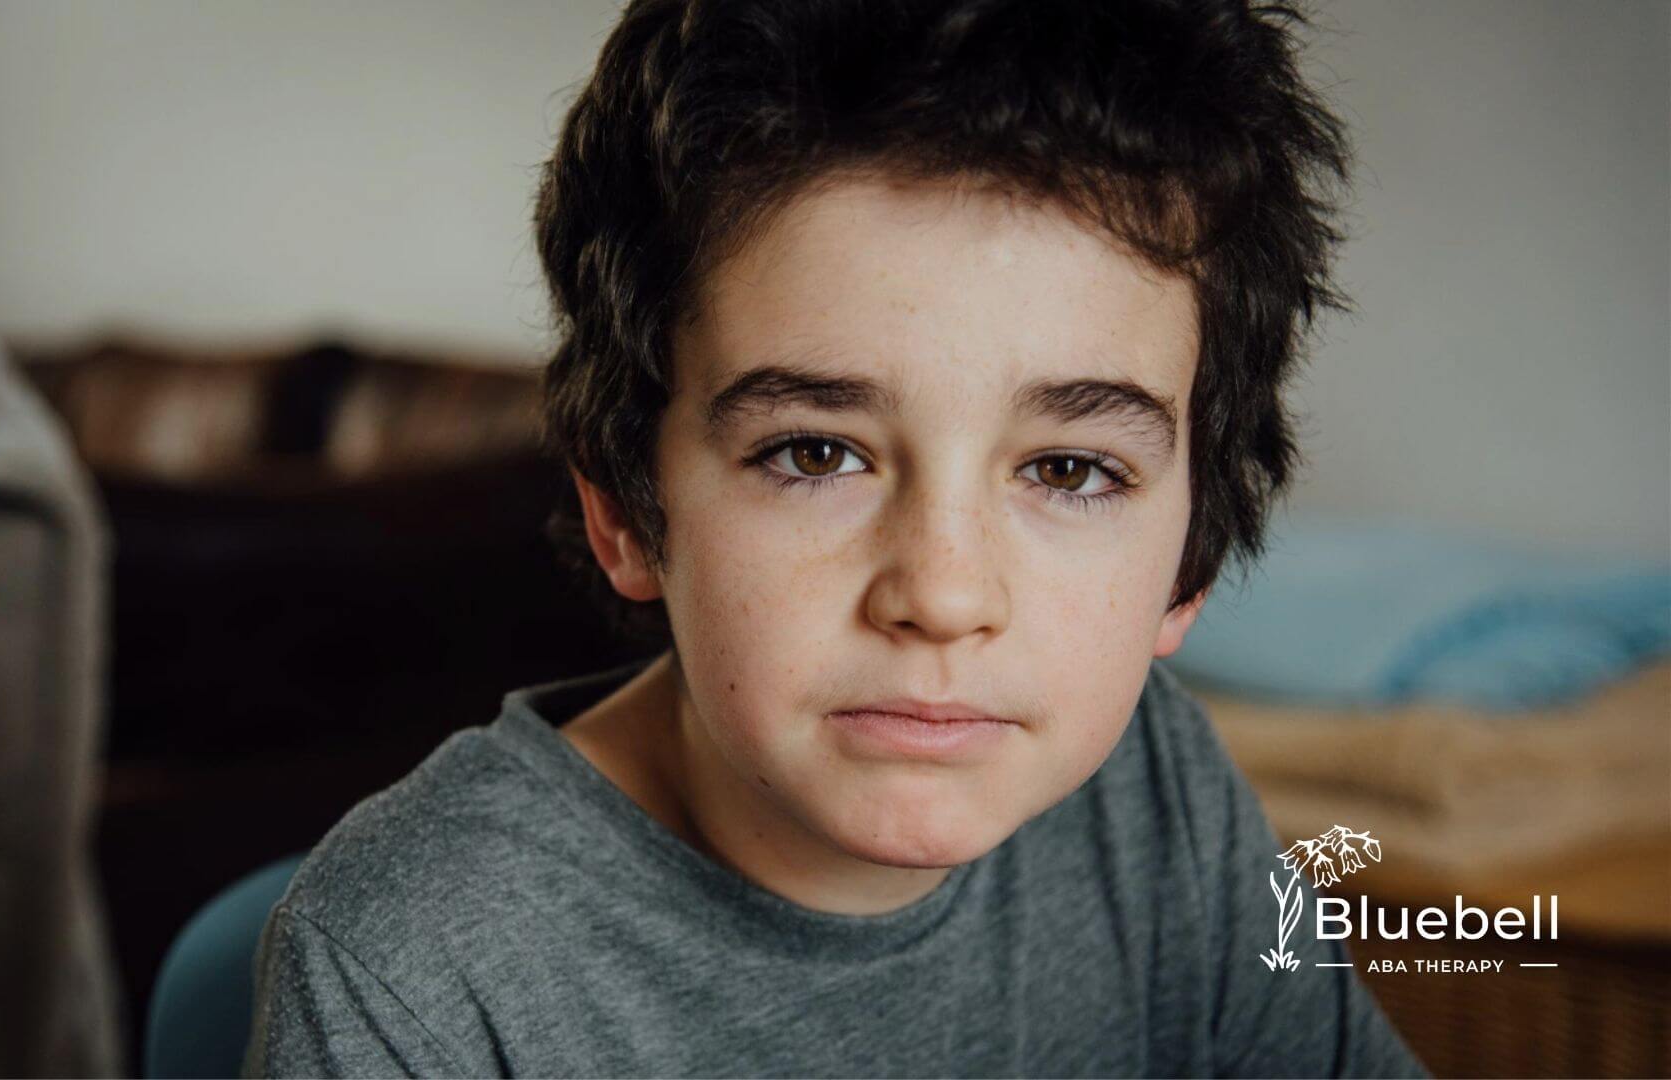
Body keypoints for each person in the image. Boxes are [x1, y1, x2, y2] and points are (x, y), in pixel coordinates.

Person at [245, 0, 1428, 1075]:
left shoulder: (1154, 790)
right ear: (625, 508)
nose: (944, 595)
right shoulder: (413, 971)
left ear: (1192, 561)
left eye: (1069, 470)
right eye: (816, 454)